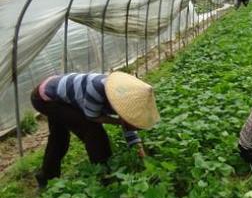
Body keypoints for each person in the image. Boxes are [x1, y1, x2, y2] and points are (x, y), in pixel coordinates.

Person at [30, 71, 159, 188]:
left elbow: (128, 122)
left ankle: (46, 177)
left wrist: (141, 153)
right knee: (92, 131)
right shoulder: (96, 89)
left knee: (58, 137)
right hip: (44, 98)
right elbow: (92, 117)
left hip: (56, 91)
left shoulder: (123, 96)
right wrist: (119, 122)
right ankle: (105, 174)